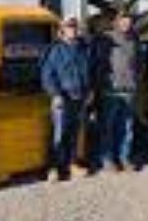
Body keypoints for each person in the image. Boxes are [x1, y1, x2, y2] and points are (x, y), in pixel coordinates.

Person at [40, 17, 92, 181]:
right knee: (59, 134)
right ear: (62, 30)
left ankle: (71, 165)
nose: (73, 30)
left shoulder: (82, 49)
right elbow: (48, 75)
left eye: (75, 27)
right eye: (69, 27)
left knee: (74, 134)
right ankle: (53, 168)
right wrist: (55, 94)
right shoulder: (55, 50)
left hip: (80, 97)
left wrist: (89, 91)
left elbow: (87, 73)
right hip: (63, 99)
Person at [95, 12, 144, 172]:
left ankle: (125, 158)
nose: (127, 24)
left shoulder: (134, 39)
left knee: (127, 127)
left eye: (130, 21)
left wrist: (136, 79)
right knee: (108, 125)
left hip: (129, 89)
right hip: (112, 90)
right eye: (124, 21)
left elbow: (140, 63)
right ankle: (107, 159)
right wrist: (103, 83)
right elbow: (99, 63)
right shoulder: (106, 39)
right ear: (117, 22)